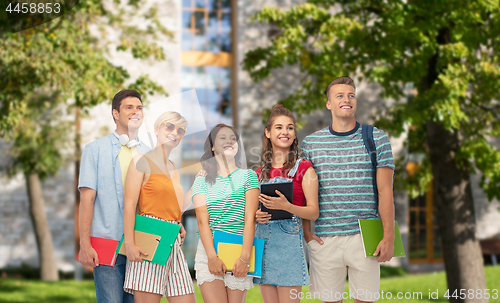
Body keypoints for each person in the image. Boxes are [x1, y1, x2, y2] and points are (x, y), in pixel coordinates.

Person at [301, 76, 395, 303]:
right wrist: (306, 231)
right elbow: (303, 193)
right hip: (325, 238)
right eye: (340, 95)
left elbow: (386, 192)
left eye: (351, 95)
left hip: (365, 237)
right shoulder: (310, 144)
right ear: (329, 104)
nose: (347, 99)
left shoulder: (376, 138)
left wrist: (389, 236)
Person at [78, 89, 150, 303]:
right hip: (107, 242)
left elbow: (155, 200)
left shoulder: (149, 153)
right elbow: (87, 200)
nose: (135, 111)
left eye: (139, 108)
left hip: (142, 244)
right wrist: (84, 243)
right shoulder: (94, 150)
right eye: (129, 107)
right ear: (115, 114)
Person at [122, 111, 196, 303]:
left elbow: (177, 206)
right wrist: (129, 243)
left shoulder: (173, 168)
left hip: (172, 240)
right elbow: (129, 205)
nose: (175, 133)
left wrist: (195, 187)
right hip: (150, 237)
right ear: (156, 129)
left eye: (180, 130)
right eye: (169, 126)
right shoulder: (140, 161)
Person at [254, 104, 319, 303]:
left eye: (290, 127)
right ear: (268, 132)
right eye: (279, 127)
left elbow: (313, 212)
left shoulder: (304, 168)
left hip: (289, 245)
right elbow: (252, 211)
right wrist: (257, 216)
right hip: (263, 243)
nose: (285, 132)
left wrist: (286, 206)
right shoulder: (259, 173)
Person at [192, 123, 260, 303]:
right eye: (222, 138)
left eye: (233, 139)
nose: (229, 141)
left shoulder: (249, 177)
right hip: (209, 251)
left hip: (240, 251)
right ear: (213, 146)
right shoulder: (201, 180)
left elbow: (250, 220)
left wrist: (245, 258)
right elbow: (202, 222)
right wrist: (212, 257)